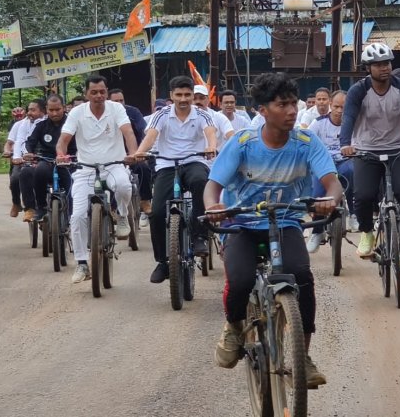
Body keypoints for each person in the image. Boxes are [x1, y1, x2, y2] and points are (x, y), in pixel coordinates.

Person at [204, 72, 342, 388]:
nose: (292, 111)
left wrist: (329, 200)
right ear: (263, 111)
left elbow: (332, 183)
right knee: (240, 280)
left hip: (286, 222)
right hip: (241, 223)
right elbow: (213, 186)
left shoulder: (307, 142)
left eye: (294, 103)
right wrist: (213, 207)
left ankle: (302, 358)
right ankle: (234, 328)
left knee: (301, 276)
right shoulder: (243, 143)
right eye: (282, 105)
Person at [339, 42, 400, 271]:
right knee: (363, 195)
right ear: (368, 68)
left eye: (387, 63)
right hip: (366, 151)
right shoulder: (359, 90)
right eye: (378, 64)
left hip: (398, 149)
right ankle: (367, 233)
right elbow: (348, 117)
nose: (384, 68)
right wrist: (345, 144)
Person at [135, 76, 217, 284]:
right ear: (171, 95)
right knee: (157, 212)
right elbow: (151, 136)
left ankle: (199, 236)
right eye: (178, 95)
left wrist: (211, 146)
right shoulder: (161, 115)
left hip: (194, 161)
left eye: (187, 95)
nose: (183, 99)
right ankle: (162, 262)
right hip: (167, 164)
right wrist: (140, 152)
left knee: (200, 182)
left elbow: (210, 132)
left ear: (193, 96)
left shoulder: (202, 115)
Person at [56, 75, 138, 283]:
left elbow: (128, 132)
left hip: (114, 164)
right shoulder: (77, 113)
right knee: (77, 216)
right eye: (94, 92)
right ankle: (82, 263)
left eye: (102, 91)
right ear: (86, 94)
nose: (98, 95)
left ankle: (122, 215)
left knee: (123, 185)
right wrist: (61, 155)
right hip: (86, 169)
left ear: (106, 92)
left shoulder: (116, 109)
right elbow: (63, 140)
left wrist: (133, 153)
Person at [305, 90, 358, 252]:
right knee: (318, 193)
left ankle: (353, 214)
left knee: (352, 172)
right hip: (323, 165)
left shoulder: (355, 124)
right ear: (330, 105)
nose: (340, 111)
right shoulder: (318, 123)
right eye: (336, 106)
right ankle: (317, 231)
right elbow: (308, 142)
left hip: (345, 162)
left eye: (344, 107)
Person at [22, 95, 75, 221]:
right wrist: (29, 153)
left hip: (69, 161)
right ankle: (41, 207)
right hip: (48, 160)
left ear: (64, 108)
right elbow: (30, 142)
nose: (54, 113)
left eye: (57, 109)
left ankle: (72, 213)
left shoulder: (73, 124)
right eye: (51, 110)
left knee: (72, 182)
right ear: (46, 109)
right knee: (39, 171)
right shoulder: (41, 126)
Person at [109, 88, 153, 216]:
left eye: (121, 100)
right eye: (116, 101)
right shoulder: (104, 114)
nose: (119, 104)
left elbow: (144, 131)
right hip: (111, 156)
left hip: (133, 154)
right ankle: (111, 207)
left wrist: (140, 152)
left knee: (144, 168)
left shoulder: (133, 112)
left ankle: (145, 200)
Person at [5, 100, 46, 221]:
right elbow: (18, 141)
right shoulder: (21, 124)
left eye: (33, 110)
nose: (29, 113)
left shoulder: (47, 123)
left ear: (43, 111)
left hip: (44, 157)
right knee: (16, 178)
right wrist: (17, 157)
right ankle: (23, 205)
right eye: (29, 110)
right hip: (25, 158)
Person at [193, 85, 234, 149]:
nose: (198, 101)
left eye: (201, 98)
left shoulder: (218, 117)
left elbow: (231, 135)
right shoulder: (184, 118)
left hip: (214, 154)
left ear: (208, 99)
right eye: (194, 98)